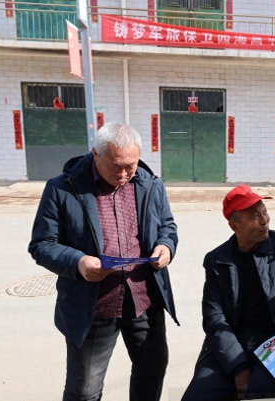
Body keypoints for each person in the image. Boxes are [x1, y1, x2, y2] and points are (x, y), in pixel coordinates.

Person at [28, 123, 179, 401]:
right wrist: (78, 262)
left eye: (130, 166)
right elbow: (42, 244)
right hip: (93, 306)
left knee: (151, 370)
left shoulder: (151, 184)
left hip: (143, 300)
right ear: (95, 154)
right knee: (84, 391)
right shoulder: (63, 188)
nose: (122, 174)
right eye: (115, 166)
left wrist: (166, 246)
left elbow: (167, 226)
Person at [181, 185, 275, 401]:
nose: (264, 220)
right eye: (255, 216)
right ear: (235, 226)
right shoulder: (217, 261)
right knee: (196, 397)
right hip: (232, 342)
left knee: (261, 394)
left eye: (264, 211)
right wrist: (238, 367)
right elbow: (214, 318)